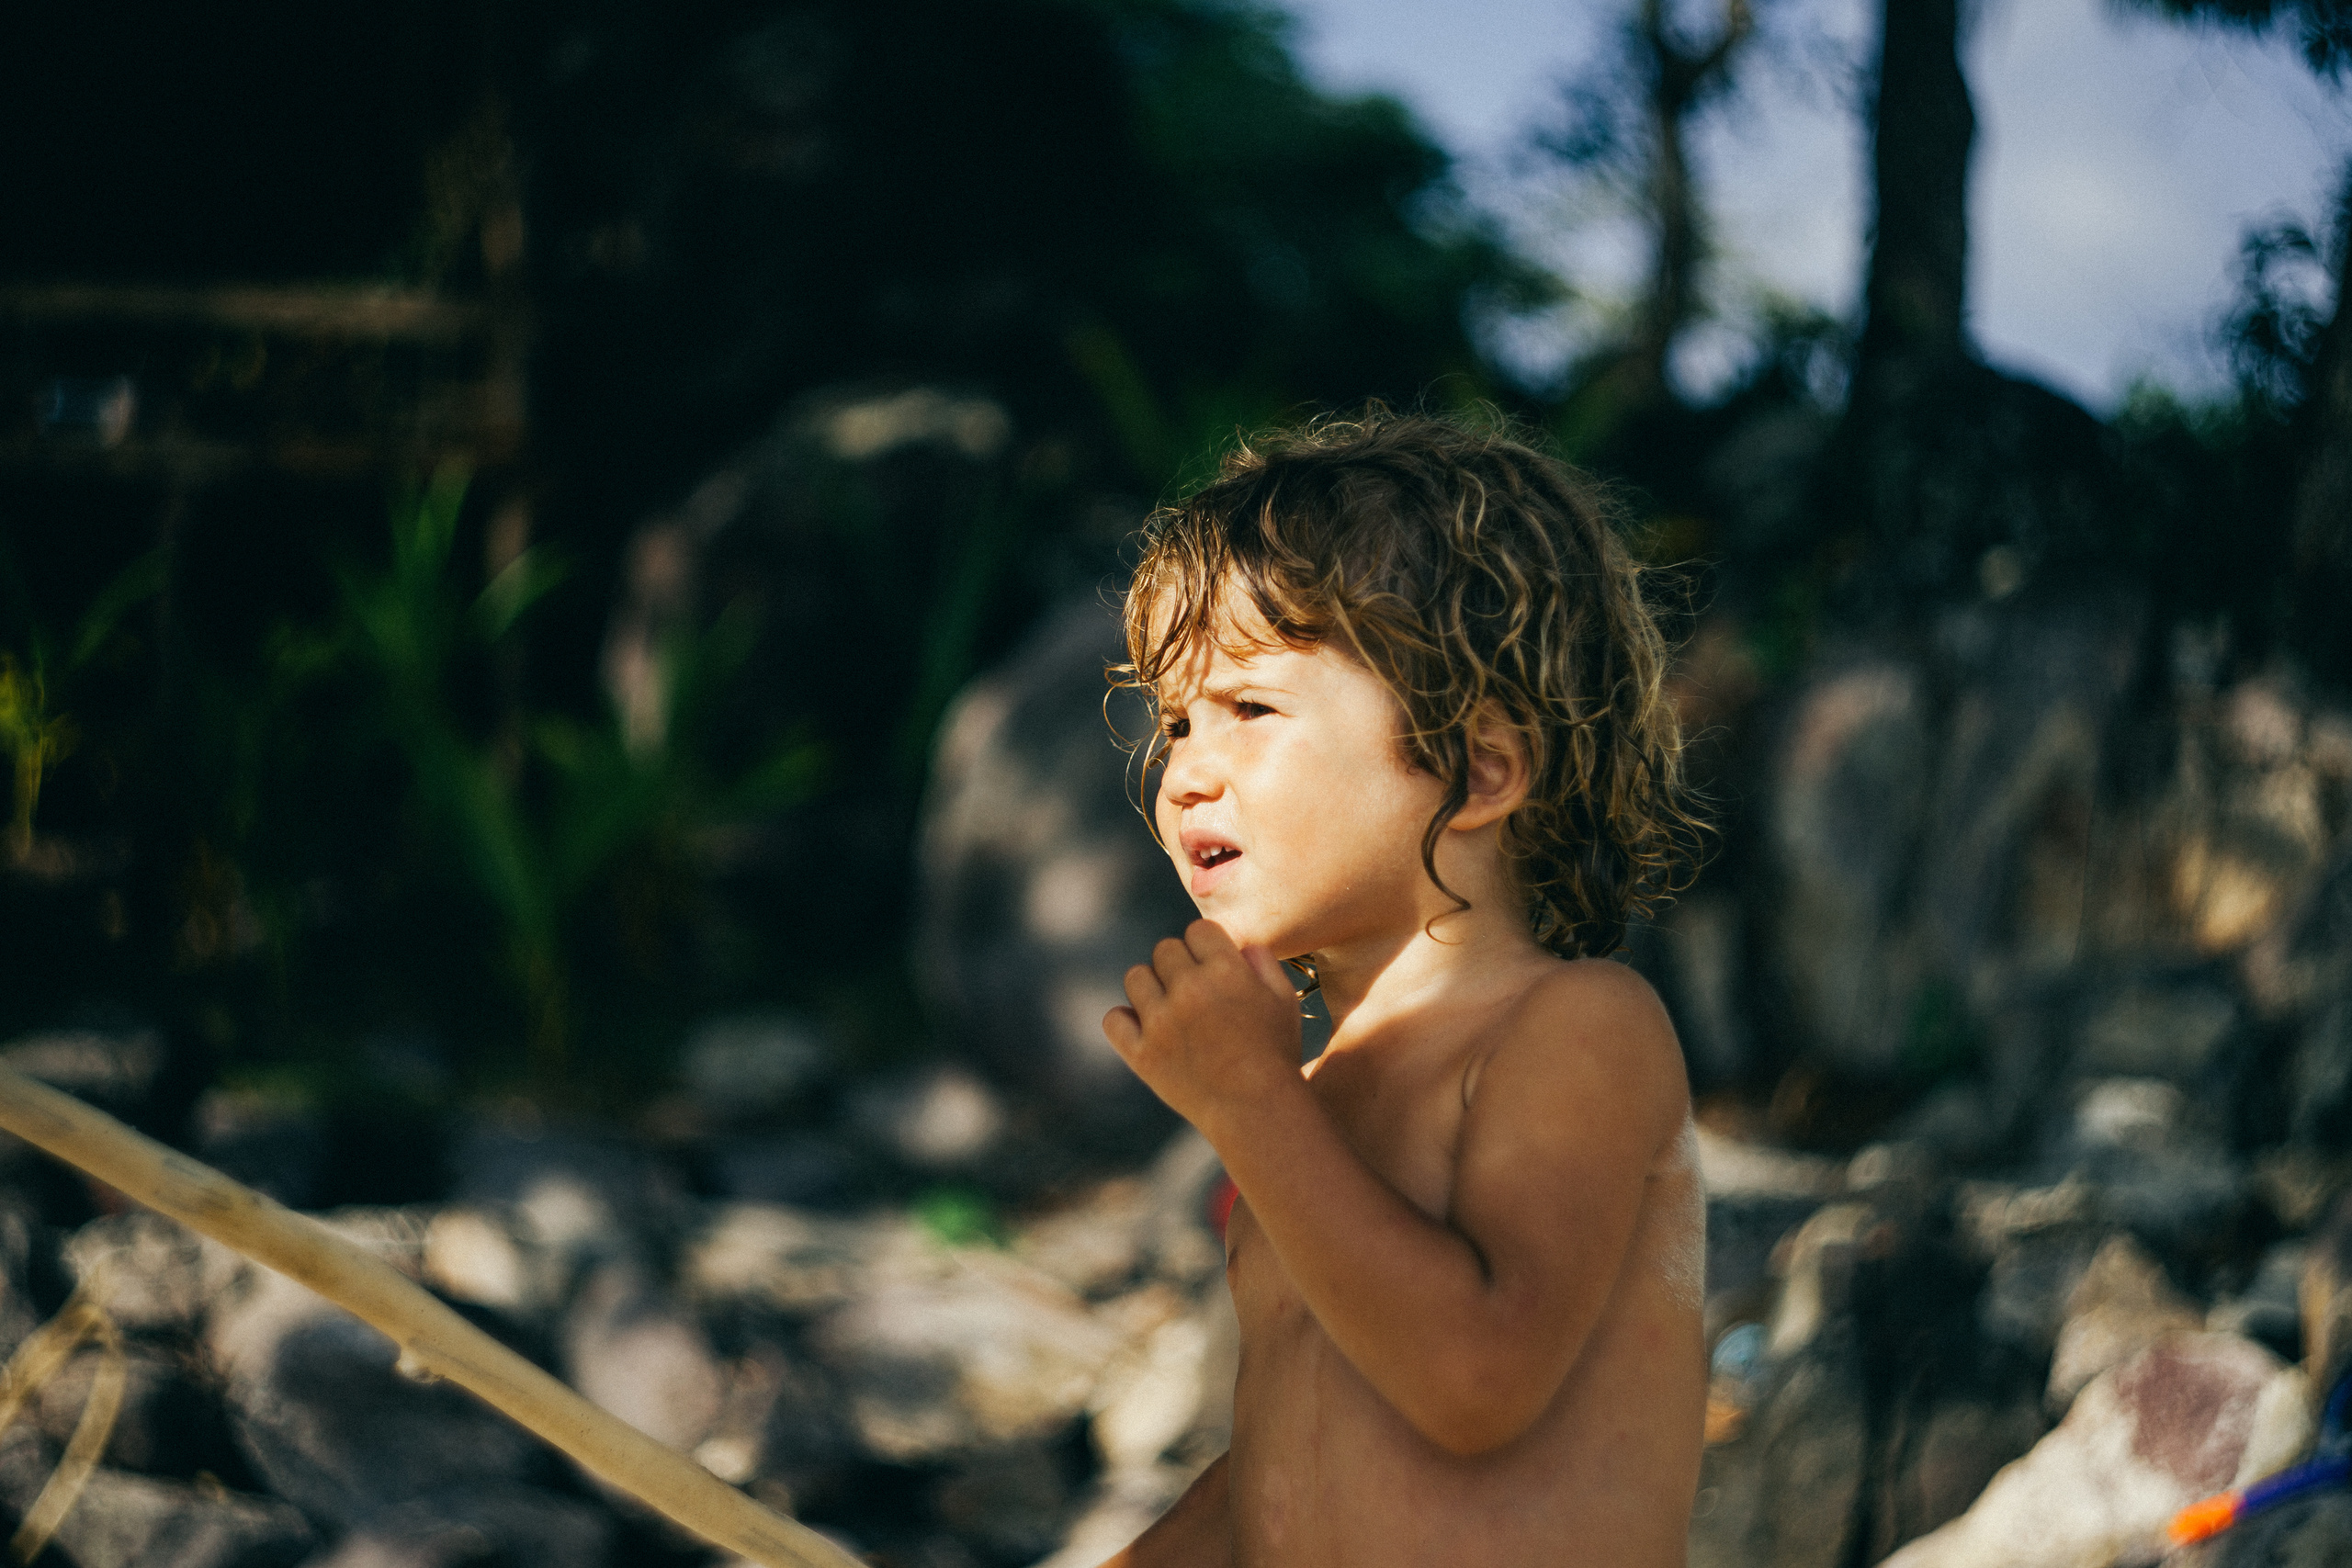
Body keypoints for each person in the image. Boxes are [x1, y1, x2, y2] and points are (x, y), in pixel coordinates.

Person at [1096, 412, 1709, 1566]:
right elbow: (1294, 1453)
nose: (1183, 774)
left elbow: (1475, 1380)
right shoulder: (1316, 1093)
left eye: (1249, 708)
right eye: (1176, 722)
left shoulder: (1576, 1027)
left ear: (1476, 768)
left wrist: (1246, 1102)